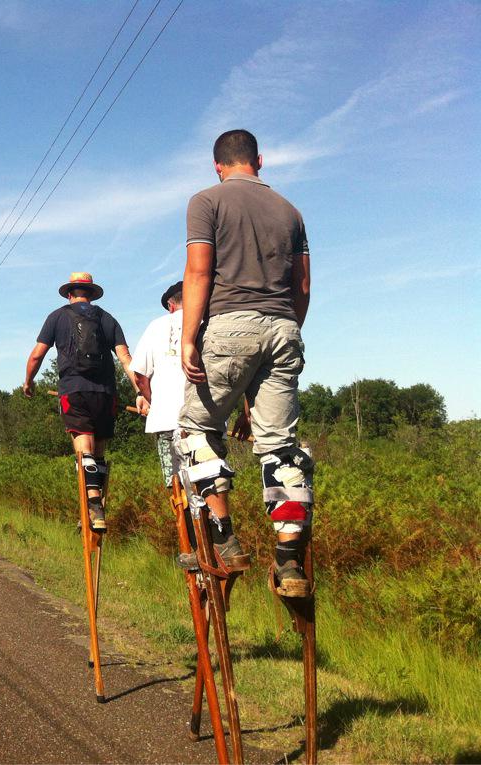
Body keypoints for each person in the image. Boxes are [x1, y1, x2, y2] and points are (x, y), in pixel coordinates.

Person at [176, 129, 313, 598]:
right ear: (259, 160)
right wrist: (287, 333)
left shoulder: (206, 201)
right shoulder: (290, 211)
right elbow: (303, 287)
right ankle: (290, 561)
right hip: (283, 328)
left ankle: (225, 537)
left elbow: (198, 271)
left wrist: (190, 337)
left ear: (218, 165)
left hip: (230, 326)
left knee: (196, 430)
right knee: (280, 444)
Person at [23, 272, 138, 531]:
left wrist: (28, 381)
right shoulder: (107, 319)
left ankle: (93, 506)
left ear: (69, 293)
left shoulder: (57, 316)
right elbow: (126, 358)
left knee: (83, 450)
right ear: (92, 294)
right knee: (99, 454)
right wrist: (141, 392)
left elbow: (36, 356)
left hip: (73, 391)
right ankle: (97, 508)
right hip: (106, 394)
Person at [128, 279, 201, 568]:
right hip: (204, 422)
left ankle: (190, 547)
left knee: (177, 488)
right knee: (206, 485)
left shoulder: (157, 326)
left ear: (171, 305)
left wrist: (151, 399)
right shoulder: (209, 321)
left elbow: (139, 376)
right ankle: (212, 546)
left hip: (167, 421)